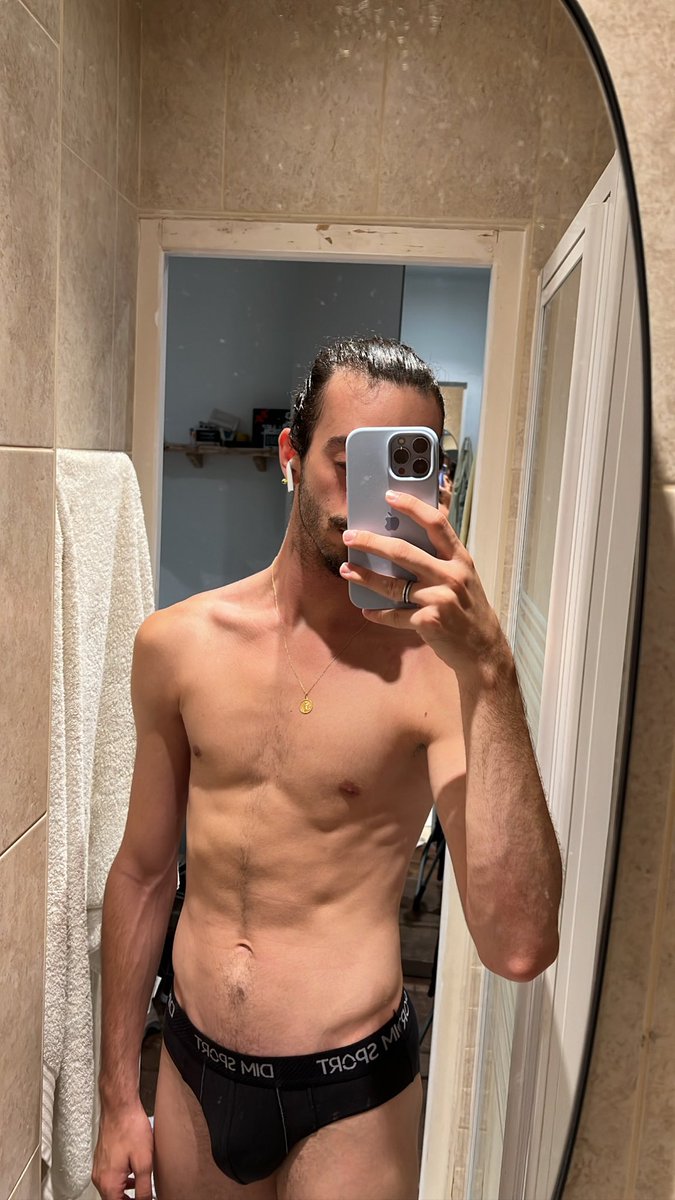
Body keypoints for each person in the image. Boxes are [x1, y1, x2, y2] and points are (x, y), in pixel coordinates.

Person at [92, 337, 563, 1200]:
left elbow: (520, 945)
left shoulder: (443, 676)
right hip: (190, 1068)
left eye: (404, 470)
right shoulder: (179, 645)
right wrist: (119, 1094)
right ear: (290, 456)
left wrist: (492, 668)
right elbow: (143, 872)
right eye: (347, 464)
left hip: (351, 1095)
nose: (370, 500)